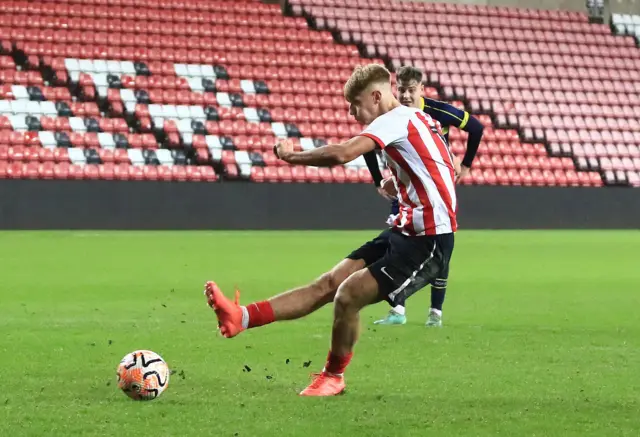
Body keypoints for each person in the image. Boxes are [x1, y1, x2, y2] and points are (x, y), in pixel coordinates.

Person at [204, 63, 457, 396]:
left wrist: (292, 158)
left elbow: (342, 154)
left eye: (355, 104)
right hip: (406, 230)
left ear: (377, 96)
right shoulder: (417, 118)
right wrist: (404, 184)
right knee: (328, 283)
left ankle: (333, 376)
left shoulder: (393, 120)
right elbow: (445, 166)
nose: (351, 112)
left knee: (347, 296)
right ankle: (241, 317)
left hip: (429, 241)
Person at [365, 65, 483, 327]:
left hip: (435, 191)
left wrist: (465, 166)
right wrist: (378, 180)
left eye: (411, 90)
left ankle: (435, 312)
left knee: (442, 247)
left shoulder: (437, 111)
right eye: (401, 90)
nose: (406, 95)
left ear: (422, 90)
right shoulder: (390, 115)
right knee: (397, 244)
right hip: (405, 189)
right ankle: (397, 309)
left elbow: (476, 128)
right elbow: (366, 142)